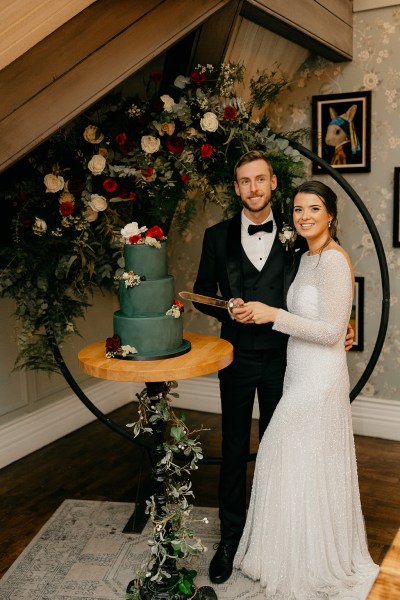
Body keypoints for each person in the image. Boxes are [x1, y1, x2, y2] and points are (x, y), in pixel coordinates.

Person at [193, 151, 354, 585]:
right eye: (245, 181)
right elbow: (202, 294)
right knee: (232, 447)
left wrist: (346, 324)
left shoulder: (297, 229)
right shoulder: (217, 236)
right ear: (236, 188)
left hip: (290, 359)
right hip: (238, 356)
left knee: (281, 450)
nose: (254, 188)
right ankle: (230, 539)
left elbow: (324, 283)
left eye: (260, 180)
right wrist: (230, 308)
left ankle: (277, 537)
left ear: (273, 183)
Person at [233, 180, 379, 599]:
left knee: (281, 447)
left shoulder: (334, 260)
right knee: (300, 462)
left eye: (314, 209)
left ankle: (313, 559)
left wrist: (273, 315)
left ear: (330, 215)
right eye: (298, 210)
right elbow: (327, 316)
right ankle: (291, 549)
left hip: (321, 376)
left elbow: (332, 331)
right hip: (298, 369)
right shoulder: (304, 257)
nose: (304, 217)